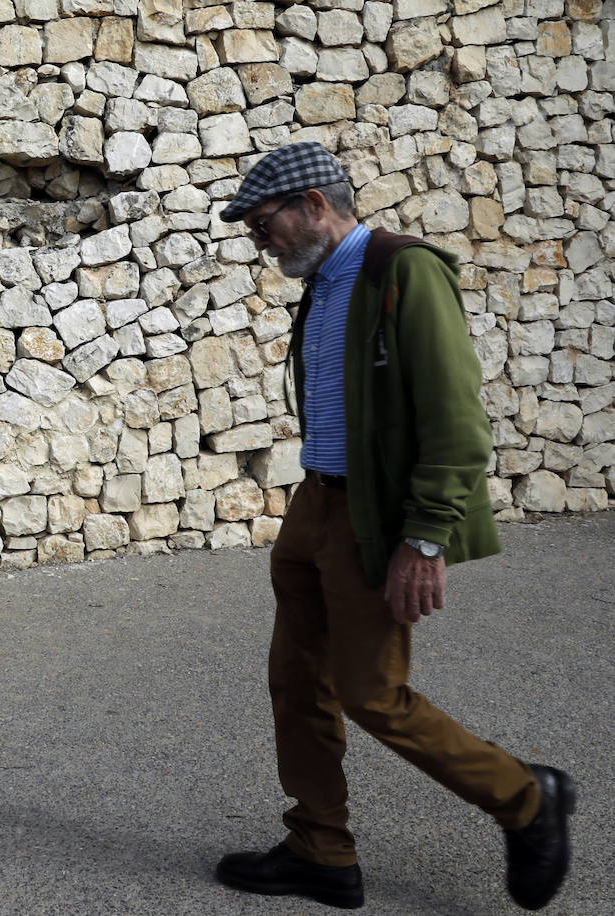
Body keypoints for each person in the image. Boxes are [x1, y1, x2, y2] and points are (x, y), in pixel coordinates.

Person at [211, 142, 575, 911]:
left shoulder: (403, 270)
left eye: (262, 222)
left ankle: (525, 798)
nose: (258, 240)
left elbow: (457, 420)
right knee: (296, 681)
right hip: (315, 503)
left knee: (373, 693)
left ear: (314, 203)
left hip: (372, 516)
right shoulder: (324, 283)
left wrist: (426, 536)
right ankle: (321, 848)